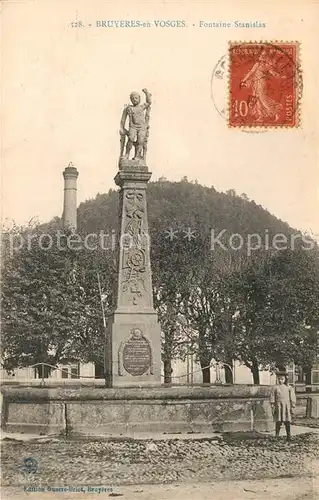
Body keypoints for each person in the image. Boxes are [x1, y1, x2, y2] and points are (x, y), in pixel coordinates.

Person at [120, 88, 152, 160]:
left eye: (136, 98)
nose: (134, 100)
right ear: (131, 100)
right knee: (131, 138)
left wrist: (146, 93)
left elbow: (149, 102)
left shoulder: (141, 107)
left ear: (139, 98)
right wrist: (122, 128)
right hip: (133, 126)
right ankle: (127, 154)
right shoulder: (129, 108)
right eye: (133, 99)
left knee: (140, 141)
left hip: (142, 127)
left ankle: (137, 155)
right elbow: (123, 119)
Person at [270, 370, 296, 441]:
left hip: (286, 406)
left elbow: (292, 397)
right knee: (278, 421)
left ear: (285, 379)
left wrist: (292, 405)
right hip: (278, 406)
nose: (280, 380)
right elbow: (272, 396)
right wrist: (272, 404)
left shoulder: (289, 387)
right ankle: (277, 435)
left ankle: (288, 436)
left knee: (287, 421)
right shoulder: (275, 388)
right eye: (279, 379)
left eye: (282, 379)